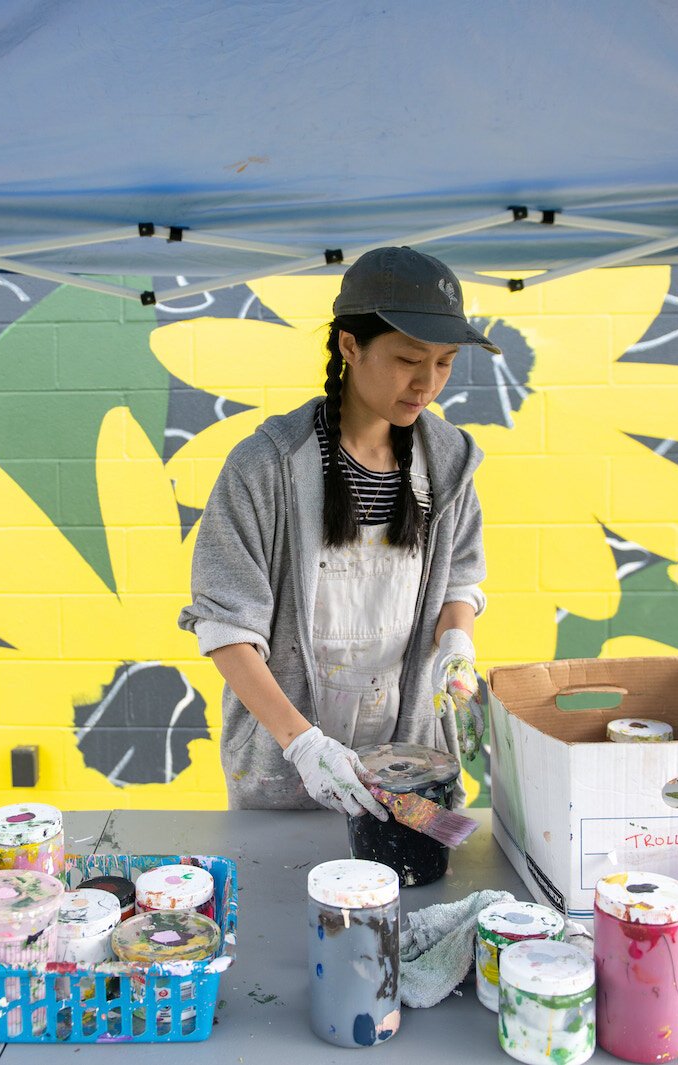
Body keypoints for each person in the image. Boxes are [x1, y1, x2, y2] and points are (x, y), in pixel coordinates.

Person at [178, 246, 496, 817]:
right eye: (408, 359)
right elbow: (226, 627)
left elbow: (460, 582)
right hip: (285, 766)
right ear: (350, 345)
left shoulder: (448, 463)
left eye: (445, 362)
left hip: (412, 764)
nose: (427, 384)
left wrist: (456, 644)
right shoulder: (266, 467)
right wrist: (303, 745)